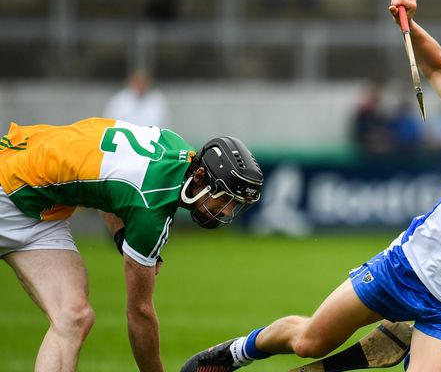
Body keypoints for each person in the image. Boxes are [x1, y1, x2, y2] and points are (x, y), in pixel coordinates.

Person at [181, 0, 441, 372]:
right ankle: (237, 352)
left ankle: (398, 340)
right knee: (309, 342)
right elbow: (439, 69)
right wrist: (408, 24)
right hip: (405, 266)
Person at [0, 117, 263, 372]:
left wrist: (121, 235)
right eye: (225, 199)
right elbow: (140, 313)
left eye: (235, 204)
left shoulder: (177, 147)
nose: (227, 212)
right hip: (10, 185)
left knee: (73, 316)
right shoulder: (152, 208)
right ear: (200, 177)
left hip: (40, 210)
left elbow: (111, 185)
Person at [104, 69, 170, 128]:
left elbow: (163, 124)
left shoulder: (158, 100)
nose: (141, 85)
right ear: (131, 81)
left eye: (144, 81)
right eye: (137, 81)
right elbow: (110, 122)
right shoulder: (118, 100)